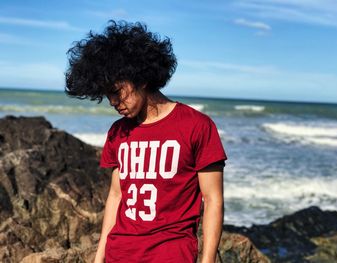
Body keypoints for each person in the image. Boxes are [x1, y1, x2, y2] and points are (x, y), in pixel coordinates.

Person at [65, 20, 227, 263]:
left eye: (117, 91)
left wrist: (208, 261)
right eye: (106, 94)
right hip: (120, 254)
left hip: (171, 254)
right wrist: (99, 257)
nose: (112, 101)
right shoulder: (118, 132)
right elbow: (116, 196)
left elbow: (213, 199)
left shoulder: (197, 126)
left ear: (141, 78)